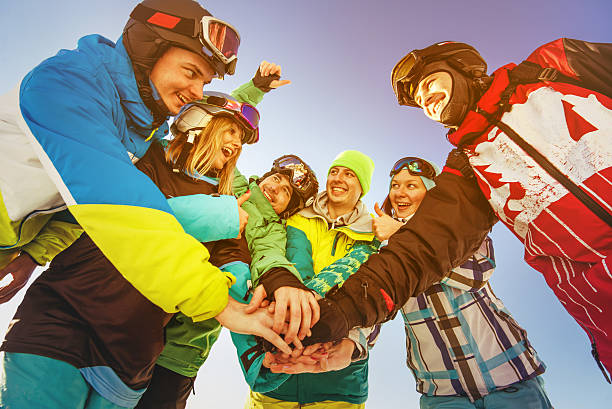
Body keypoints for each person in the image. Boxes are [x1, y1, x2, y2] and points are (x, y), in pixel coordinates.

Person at [303, 38, 611, 384]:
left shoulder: (551, 68)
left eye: (428, 83)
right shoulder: (468, 167)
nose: (424, 100)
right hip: (604, 307)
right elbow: (422, 250)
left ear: (461, 65)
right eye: (419, 101)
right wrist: (342, 311)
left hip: (509, 375)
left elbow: (477, 271)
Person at [0, 91, 291, 409]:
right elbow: (100, 206)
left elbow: (235, 276)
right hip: (65, 316)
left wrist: (267, 337)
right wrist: (33, 255)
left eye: (242, 140)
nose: (237, 144)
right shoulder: (146, 153)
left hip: (134, 352)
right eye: (232, 130)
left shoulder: (230, 204)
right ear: (200, 120)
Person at [0, 0, 261, 332]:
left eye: (205, 82)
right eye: (191, 72)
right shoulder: (68, 82)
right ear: (149, 50)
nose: (197, 92)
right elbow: (119, 205)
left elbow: (73, 206)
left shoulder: (139, 128)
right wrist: (215, 299)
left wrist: (33, 255)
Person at [137, 154, 320, 409]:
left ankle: (261, 349)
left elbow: (271, 255)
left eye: (285, 192)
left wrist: (281, 278)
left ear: (286, 210)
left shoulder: (272, 229)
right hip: (147, 308)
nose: (275, 189)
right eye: (276, 179)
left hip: (184, 346)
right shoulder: (232, 181)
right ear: (264, 177)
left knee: (245, 283)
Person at [373, 156, 551, 409]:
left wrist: (403, 235)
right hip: (443, 393)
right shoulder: (384, 248)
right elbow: (376, 305)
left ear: (431, 193)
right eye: (395, 185)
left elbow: (475, 274)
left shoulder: (463, 226)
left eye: (412, 185)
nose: (400, 193)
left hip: (509, 377)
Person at [243, 150, 380, 409]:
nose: (338, 178)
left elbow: (375, 297)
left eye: (349, 174)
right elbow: (292, 270)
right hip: (279, 373)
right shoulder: (297, 217)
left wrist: (355, 341)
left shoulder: (372, 233)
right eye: (334, 171)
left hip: (341, 381)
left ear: (362, 186)